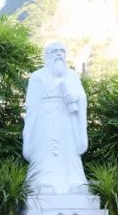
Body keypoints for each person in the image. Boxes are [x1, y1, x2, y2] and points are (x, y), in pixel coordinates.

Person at [22, 42, 89, 195]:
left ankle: (74, 180)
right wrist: (31, 128)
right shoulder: (37, 76)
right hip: (45, 119)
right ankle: (41, 179)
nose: (59, 54)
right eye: (55, 51)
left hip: (68, 119)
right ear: (46, 56)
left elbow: (81, 96)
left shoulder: (72, 75)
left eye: (62, 51)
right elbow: (32, 105)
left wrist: (76, 98)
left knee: (69, 149)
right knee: (45, 149)